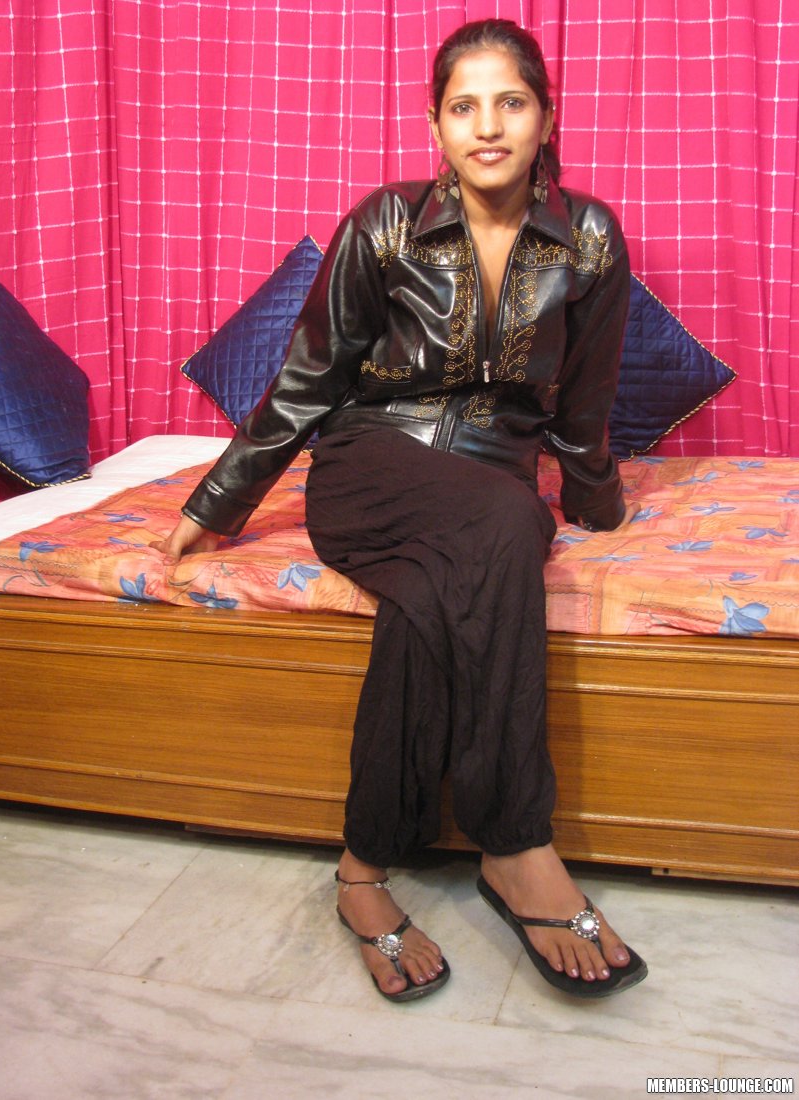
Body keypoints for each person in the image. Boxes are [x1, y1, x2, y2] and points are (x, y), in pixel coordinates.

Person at [155, 18, 647, 1003]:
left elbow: (584, 402)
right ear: (435, 126)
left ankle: (361, 870)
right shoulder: (383, 222)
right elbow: (307, 380)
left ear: (547, 118)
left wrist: (596, 502)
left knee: (440, 589)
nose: (487, 126)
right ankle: (516, 843)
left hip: (492, 480)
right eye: (463, 107)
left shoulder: (590, 237)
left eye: (510, 102)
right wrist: (220, 500)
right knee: (507, 526)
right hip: (370, 465)